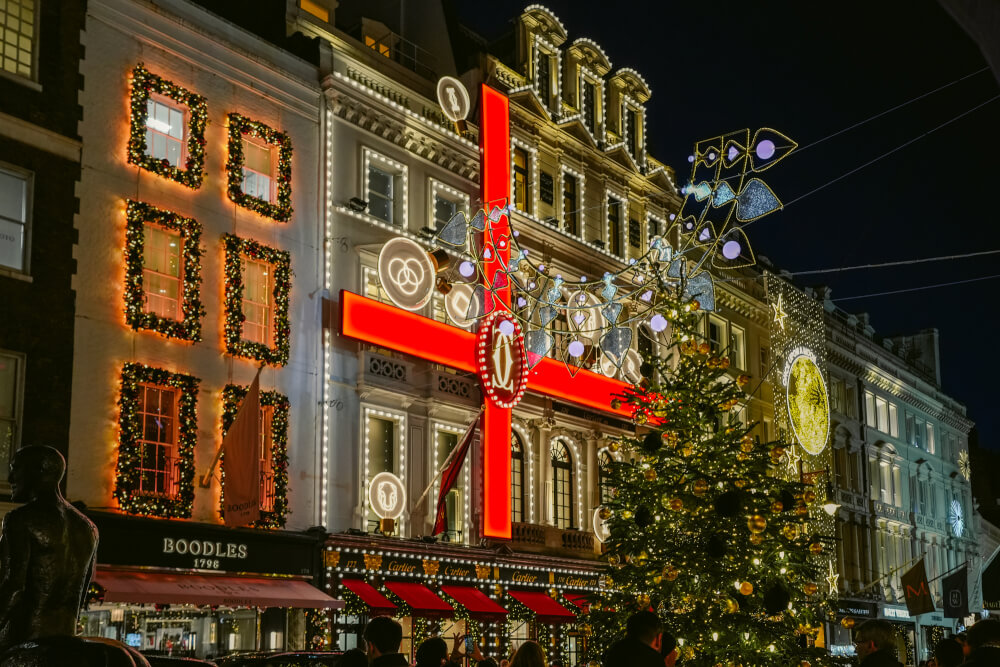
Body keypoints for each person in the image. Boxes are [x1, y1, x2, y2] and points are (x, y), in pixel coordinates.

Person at [0, 446, 99, 654]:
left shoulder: (20, 519)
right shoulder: (88, 527)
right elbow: (83, 589)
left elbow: (14, 586)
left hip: (26, 637)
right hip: (65, 636)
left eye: (15, 469)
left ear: (38, 471)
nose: (10, 478)